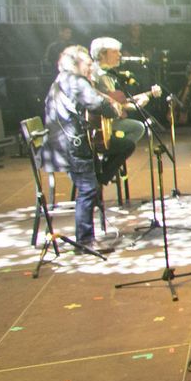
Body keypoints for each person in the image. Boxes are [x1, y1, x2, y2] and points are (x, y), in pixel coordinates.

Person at [42, 45, 120, 248]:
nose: (91, 66)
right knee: (88, 189)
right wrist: (113, 109)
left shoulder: (61, 80)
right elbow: (97, 105)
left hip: (57, 148)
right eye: (87, 63)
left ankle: (100, 178)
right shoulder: (76, 81)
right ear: (75, 64)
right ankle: (85, 240)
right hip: (72, 147)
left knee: (91, 182)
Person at [88, 36, 158, 184]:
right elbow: (95, 98)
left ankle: (112, 159)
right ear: (102, 54)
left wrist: (147, 96)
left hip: (109, 121)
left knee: (137, 127)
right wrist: (132, 105)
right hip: (97, 126)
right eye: (115, 52)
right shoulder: (94, 73)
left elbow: (120, 102)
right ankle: (110, 164)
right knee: (136, 129)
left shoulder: (110, 75)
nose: (119, 55)